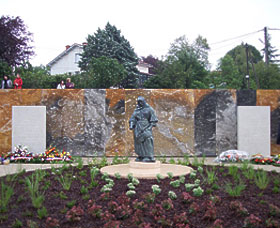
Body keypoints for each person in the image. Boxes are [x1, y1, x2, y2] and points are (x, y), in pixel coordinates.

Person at [129, 96, 158, 162]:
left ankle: (149, 156)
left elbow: (153, 120)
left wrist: (149, 128)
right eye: (138, 102)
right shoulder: (137, 110)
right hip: (138, 128)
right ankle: (141, 155)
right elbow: (132, 118)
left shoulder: (149, 109)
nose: (140, 103)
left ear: (144, 101)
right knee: (138, 142)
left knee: (147, 140)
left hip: (146, 127)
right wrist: (131, 125)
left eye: (141, 102)